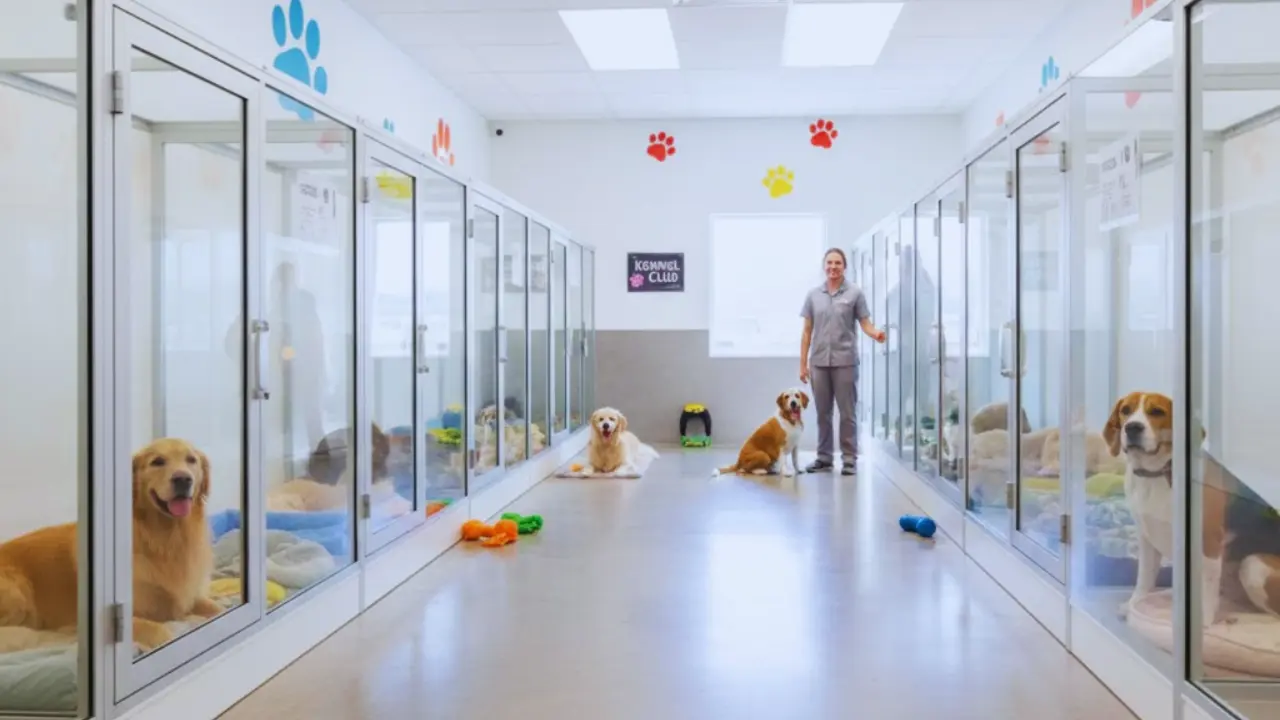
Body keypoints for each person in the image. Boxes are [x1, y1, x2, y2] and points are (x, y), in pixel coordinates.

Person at [800, 248, 886, 475]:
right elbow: (807, 332)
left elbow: (865, 323)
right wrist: (803, 364)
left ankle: (849, 459)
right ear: (824, 266)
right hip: (818, 362)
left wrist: (875, 333)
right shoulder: (813, 295)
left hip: (845, 361)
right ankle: (824, 458)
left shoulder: (855, 293)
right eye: (829, 263)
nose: (833, 267)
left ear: (844, 267)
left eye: (838, 263)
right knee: (822, 413)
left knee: (847, 413)